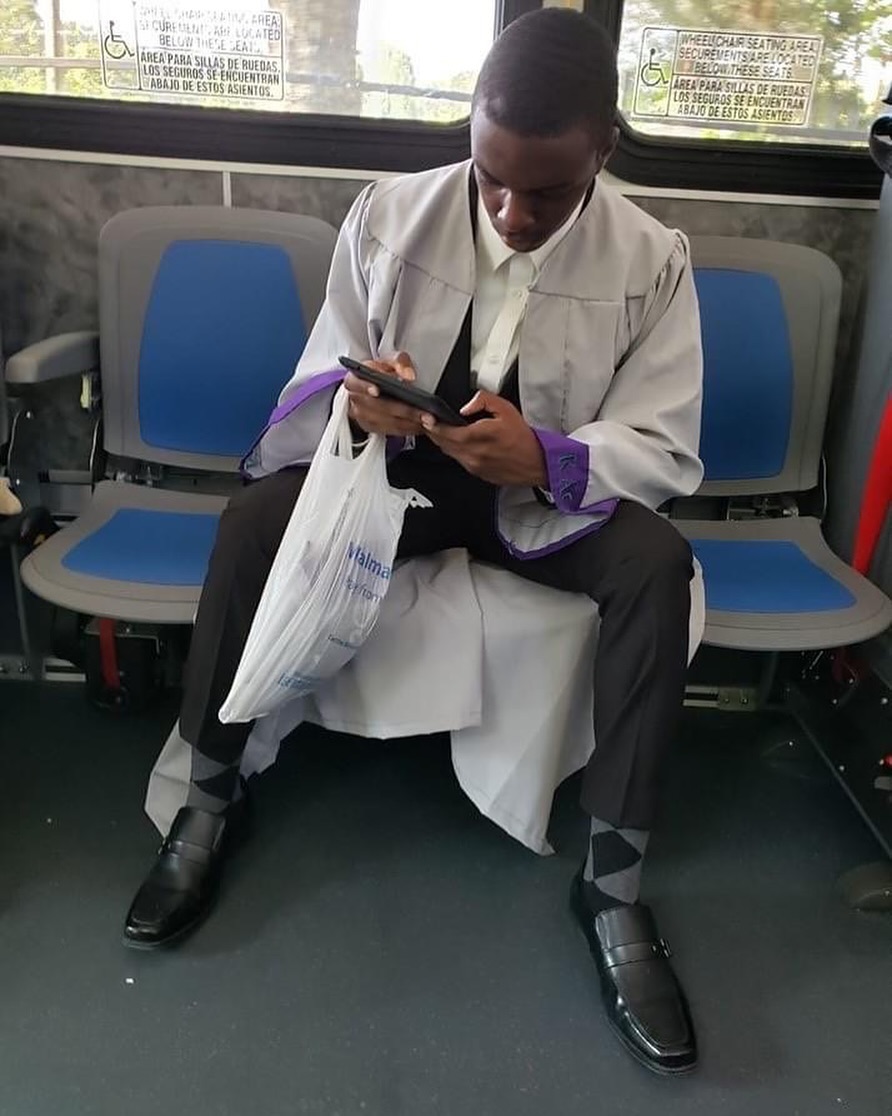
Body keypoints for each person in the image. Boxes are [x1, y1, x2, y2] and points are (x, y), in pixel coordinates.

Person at [123, 9, 704, 1076]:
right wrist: (357, 409)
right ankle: (208, 804)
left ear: (603, 153)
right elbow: (324, 370)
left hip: (538, 497)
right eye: (490, 175)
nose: (509, 211)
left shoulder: (654, 257)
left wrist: (551, 459)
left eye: (546, 191)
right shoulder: (391, 212)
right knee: (254, 520)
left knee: (657, 565)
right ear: (470, 134)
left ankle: (612, 886)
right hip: (401, 481)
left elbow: (664, 444)